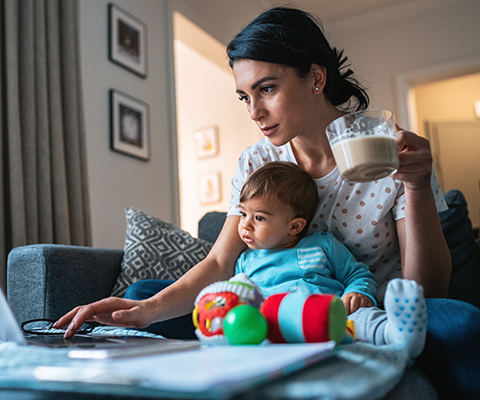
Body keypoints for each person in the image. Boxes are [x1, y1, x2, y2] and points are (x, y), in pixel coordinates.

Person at [55, 6, 480, 398]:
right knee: (144, 293)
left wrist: (419, 186)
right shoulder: (258, 160)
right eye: (245, 96)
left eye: (267, 89)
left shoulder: (390, 149)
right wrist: (144, 310)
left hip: (368, 317)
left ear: (316, 78)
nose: (254, 111)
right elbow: (221, 264)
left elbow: (426, 291)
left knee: (458, 320)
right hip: (272, 309)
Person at [234, 161, 426, 363]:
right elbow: (240, 296)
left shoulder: (321, 244)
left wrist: (358, 293)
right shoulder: (245, 262)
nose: (245, 225)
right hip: (280, 326)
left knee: (362, 319)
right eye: (243, 214)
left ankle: (398, 335)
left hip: (333, 317)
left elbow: (356, 274)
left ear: (295, 226)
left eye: (259, 218)